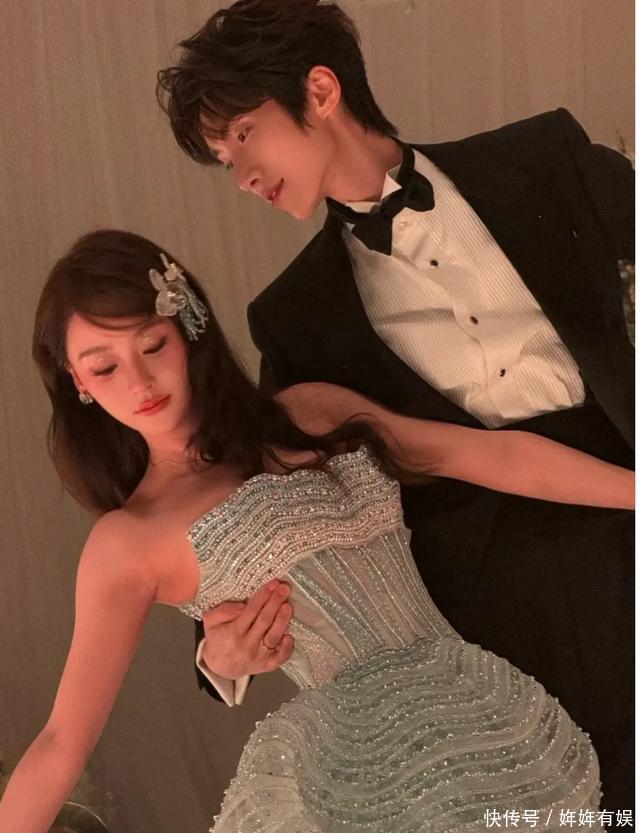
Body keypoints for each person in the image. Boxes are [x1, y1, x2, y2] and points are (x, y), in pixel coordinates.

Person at [157, 0, 635, 813]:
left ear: (320, 91)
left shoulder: (544, 156)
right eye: (223, 158)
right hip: (497, 609)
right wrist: (220, 655)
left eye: (243, 134)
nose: (242, 176)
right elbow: (262, 502)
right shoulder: (296, 318)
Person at [0, 229, 633, 832]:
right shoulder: (127, 541)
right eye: (104, 367)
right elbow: (61, 741)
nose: (139, 382)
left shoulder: (310, 412)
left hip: (483, 702)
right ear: (77, 382)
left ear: (187, 326)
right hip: (360, 770)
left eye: (151, 345)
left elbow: (492, 456)